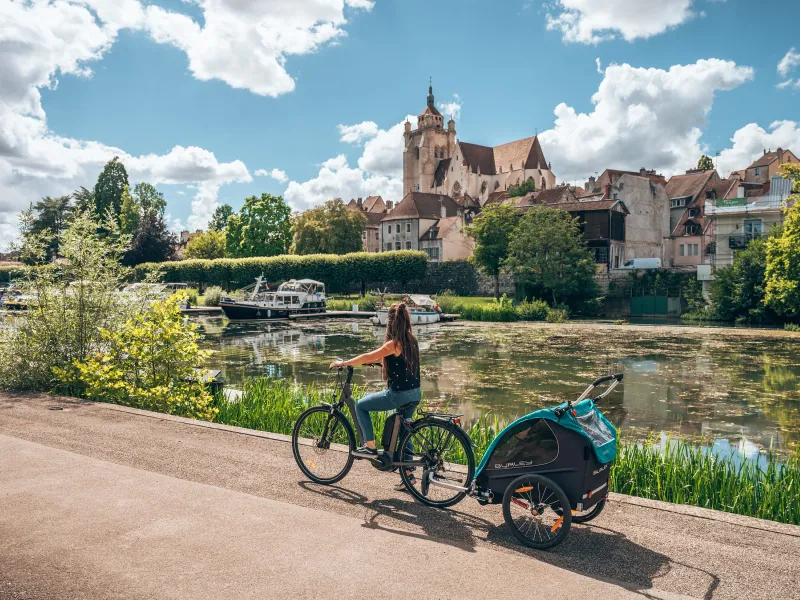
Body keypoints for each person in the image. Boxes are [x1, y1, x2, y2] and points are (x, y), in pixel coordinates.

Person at [330, 303, 421, 486]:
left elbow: (367, 356)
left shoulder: (393, 343)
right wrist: (380, 362)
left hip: (398, 395)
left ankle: (370, 447)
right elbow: (400, 362)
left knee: (361, 406)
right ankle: (409, 475)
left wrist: (344, 363)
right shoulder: (412, 340)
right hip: (415, 394)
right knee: (403, 431)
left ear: (391, 323)